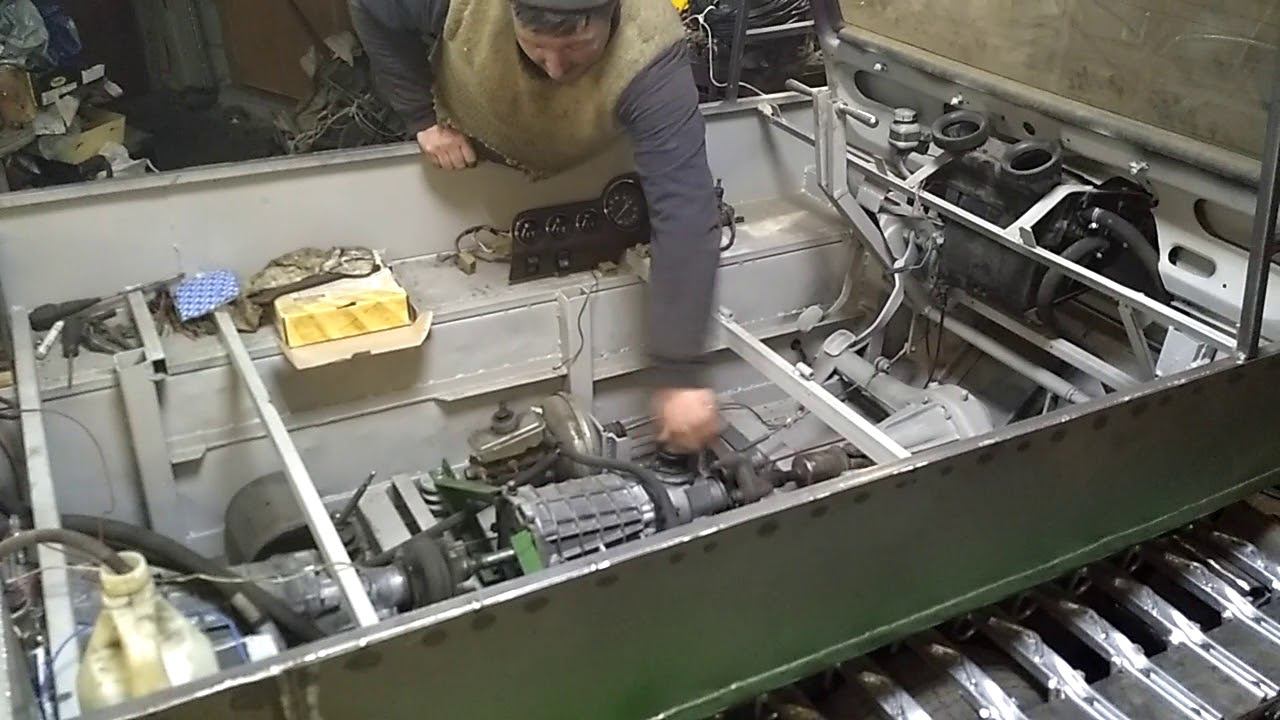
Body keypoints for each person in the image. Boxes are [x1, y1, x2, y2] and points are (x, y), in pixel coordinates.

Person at [350, 0, 722, 451]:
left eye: (575, 48)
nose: (555, 68)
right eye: (536, 47)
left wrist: (680, 374)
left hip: (587, 157)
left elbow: (684, 207)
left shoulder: (654, 57)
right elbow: (369, 7)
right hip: (463, 162)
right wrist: (420, 118)